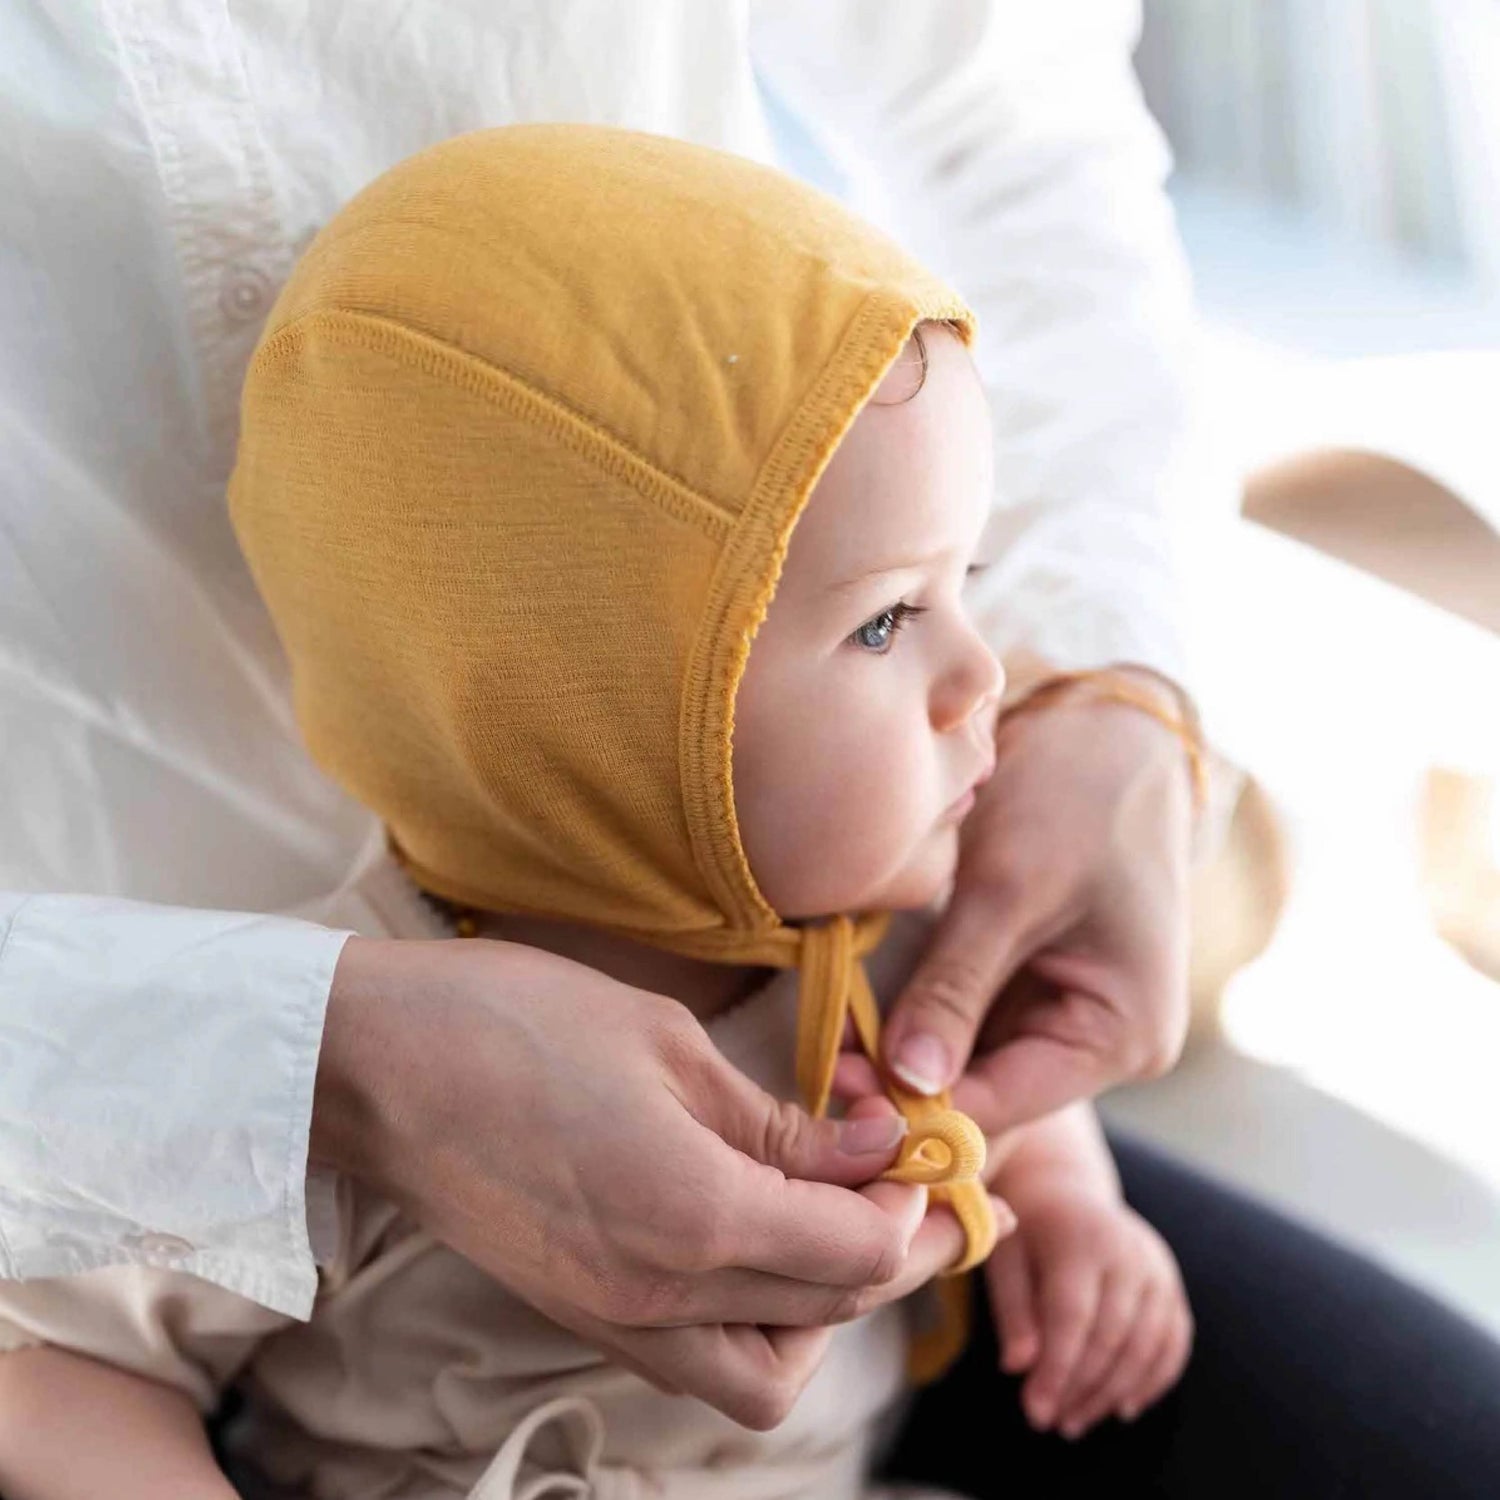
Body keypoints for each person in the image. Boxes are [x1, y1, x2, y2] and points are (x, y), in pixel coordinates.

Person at [0, 1, 1207, 1421]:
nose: (991, 674)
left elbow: (998, 1091)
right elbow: (67, 1373)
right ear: (612, 728)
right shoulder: (335, 999)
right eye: (887, 619)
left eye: (973, 582)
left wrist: (1068, 1210)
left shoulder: (895, 929)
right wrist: (326, 1071)